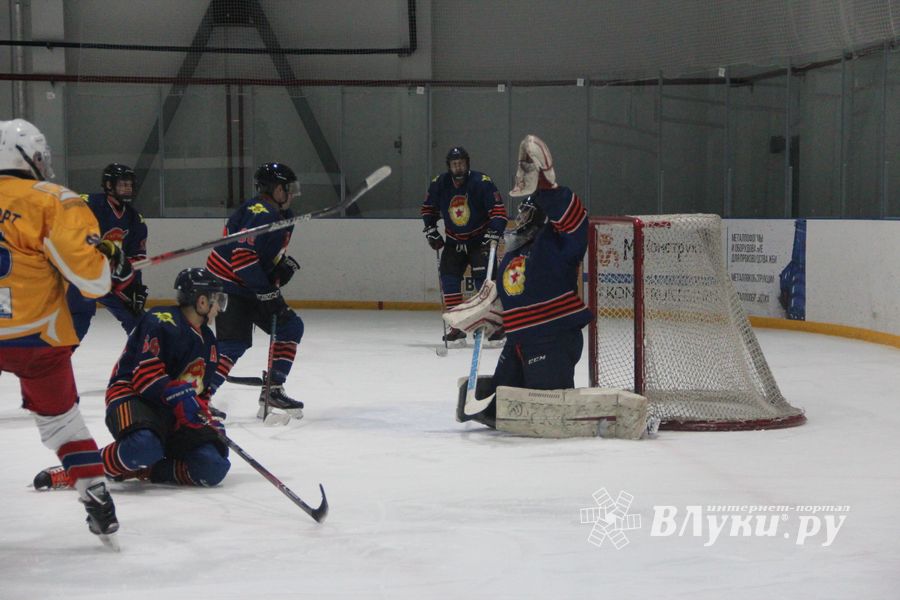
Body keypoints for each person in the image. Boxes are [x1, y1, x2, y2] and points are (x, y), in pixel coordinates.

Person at [0, 118, 124, 544]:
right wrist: (108, 258)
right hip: (36, 338)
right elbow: (94, 284)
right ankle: (94, 494)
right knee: (62, 426)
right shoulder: (55, 201)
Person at [444, 134, 592, 427]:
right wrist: (489, 314)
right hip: (519, 340)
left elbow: (574, 219)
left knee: (545, 410)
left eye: (526, 211)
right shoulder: (513, 253)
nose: (520, 217)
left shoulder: (558, 240)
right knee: (502, 404)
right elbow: (508, 295)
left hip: (552, 338)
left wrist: (545, 187)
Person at [34, 268, 231, 489]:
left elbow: (200, 391)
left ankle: (145, 468)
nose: (220, 309)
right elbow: (145, 376)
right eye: (218, 300)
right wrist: (179, 395)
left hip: (173, 409)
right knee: (143, 447)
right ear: (202, 302)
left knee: (213, 467)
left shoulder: (209, 342)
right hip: (134, 396)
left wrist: (203, 414)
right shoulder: (160, 320)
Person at [206, 162, 305, 419]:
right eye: (288, 188)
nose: (292, 193)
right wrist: (267, 291)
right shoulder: (260, 212)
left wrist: (279, 270)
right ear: (273, 188)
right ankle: (198, 398)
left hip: (250, 285)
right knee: (233, 344)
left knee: (289, 327)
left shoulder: (283, 215)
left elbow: (263, 256)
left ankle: (272, 389)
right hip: (228, 284)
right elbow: (242, 259)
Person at [421, 146, 508, 345]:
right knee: (449, 282)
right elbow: (428, 209)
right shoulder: (440, 183)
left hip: (480, 240)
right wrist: (431, 230)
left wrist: (494, 231)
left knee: (484, 285)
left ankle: (495, 327)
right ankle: (457, 328)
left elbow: (498, 211)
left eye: (461, 163)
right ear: (449, 166)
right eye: (454, 164)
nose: (458, 167)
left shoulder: (481, 182)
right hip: (453, 241)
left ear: (467, 163)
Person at [67, 163, 149, 341]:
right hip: (82, 278)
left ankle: (141, 364)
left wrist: (135, 286)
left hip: (111, 281)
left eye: (129, 185)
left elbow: (136, 258)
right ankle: (57, 362)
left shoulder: (135, 219)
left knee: (140, 326)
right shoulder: (87, 204)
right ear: (109, 186)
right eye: (122, 184)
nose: (127, 189)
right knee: (77, 324)